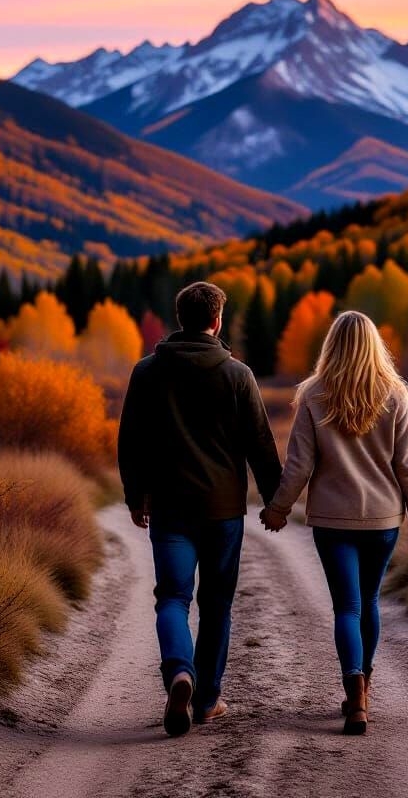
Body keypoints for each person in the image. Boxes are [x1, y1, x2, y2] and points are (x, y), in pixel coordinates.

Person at [118, 281, 282, 737]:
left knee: (172, 597)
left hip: (170, 508)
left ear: (180, 318)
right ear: (216, 321)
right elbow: (261, 447)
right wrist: (276, 501)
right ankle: (207, 700)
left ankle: (180, 675)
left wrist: (136, 496)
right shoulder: (238, 375)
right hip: (222, 511)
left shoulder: (147, 373)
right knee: (216, 605)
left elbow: (130, 443)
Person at [261, 310, 408, 735]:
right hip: (383, 519)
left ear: (332, 346)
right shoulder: (395, 394)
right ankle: (364, 690)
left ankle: (354, 694)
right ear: (376, 346)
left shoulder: (314, 394)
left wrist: (278, 509)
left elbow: (298, 465)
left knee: (346, 607)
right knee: (368, 602)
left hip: (333, 521)